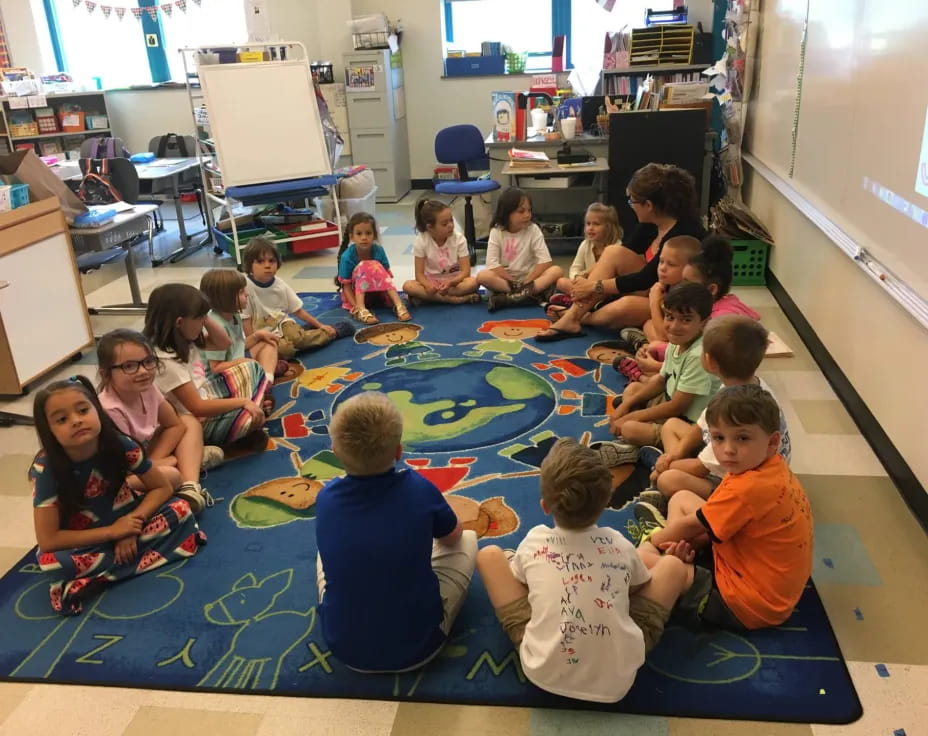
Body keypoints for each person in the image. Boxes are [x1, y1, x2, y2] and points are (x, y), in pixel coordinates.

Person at [476, 437, 694, 702]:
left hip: (542, 670)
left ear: (545, 506)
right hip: (617, 679)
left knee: (488, 556)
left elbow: (520, 582)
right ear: (606, 503)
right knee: (672, 566)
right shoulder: (618, 544)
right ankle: (653, 553)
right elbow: (636, 588)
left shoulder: (534, 540)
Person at [315, 391, 477, 672]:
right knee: (468, 540)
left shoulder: (325, 498)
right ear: (399, 451)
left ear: (336, 452)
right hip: (420, 647)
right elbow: (453, 536)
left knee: (324, 555)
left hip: (344, 648)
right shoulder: (419, 489)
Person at [635, 385, 813, 630]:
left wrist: (652, 541)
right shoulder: (766, 466)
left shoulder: (749, 487)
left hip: (745, 602)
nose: (728, 449)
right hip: (755, 571)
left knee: (645, 560)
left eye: (742, 438)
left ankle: (645, 626)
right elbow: (711, 521)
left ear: (772, 442)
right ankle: (678, 552)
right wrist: (686, 542)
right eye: (719, 438)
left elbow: (692, 524)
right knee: (681, 498)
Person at [30, 375, 206, 615]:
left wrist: (131, 526)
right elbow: (48, 540)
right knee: (53, 563)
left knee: (181, 510)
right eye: (62, 419)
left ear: (97, 411)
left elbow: (161, 487)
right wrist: (113, 532)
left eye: (83, 410)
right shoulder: (47, 468)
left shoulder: (120, 444)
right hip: (83, 541)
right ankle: (132, 561)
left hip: (129, 518)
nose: (76, 421)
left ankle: (100, 577)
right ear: (48, 431)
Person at [536, 163, 705, 341]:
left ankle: (579, 317)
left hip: (669, 299)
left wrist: (594, 286)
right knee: (612, 252)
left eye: (632, 201)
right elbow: (622, 254)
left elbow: (645, 279)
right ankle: (574, 315)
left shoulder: (683, 233)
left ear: (648, 205)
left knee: (624, 306)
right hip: (651, 288)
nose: (630, 206)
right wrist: (588, 277)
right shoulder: (652, 223)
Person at [638, 316, 791, 511]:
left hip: (741, 484)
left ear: (709, 361)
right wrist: (673, 456)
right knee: (671, 425)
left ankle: (691, 504)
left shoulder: (735, 409)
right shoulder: (747, 385)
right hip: (741, 463)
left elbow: (699, 468)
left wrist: (665, 467)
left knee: (668, 479)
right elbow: (701, 424)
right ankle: (665, 463)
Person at [96, 329, 219, 514]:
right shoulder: (109, 410)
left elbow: (175, 424)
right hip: (122, 475)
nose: (143, 371)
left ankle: (189, 487)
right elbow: (124, 470)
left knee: (188, 421)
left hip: (145, 457)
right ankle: (188, 464)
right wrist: (162, 464)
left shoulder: (147, 388)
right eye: (129, 366)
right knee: (172, 474)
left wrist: (156, 460)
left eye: (148, 362)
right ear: (106, 373)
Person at [601, 282, 720, 466]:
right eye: (669, 317)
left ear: (704, 322)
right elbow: (661, 379)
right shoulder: (678, 340)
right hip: (668, 400)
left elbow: (676, 407)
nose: (674, 326)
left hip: (685, 423)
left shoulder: (698, 355)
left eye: (686, 320)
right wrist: (626, 405)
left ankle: (643, 450)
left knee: (630, 428)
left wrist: (630, 417)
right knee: (632, 390)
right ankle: (639, 436)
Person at [144, 283, 268, 448]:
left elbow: (224, 343)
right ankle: (250, 412)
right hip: (196, 419)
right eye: (201, 318)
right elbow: (198, 407)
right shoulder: (166, 362)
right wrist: (243, 402)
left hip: (207, 394)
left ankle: (254, 408)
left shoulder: (185, 338)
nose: (204, 323)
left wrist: (204, 316)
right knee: (246, 417)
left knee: (253, 368)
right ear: (180, 322)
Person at [241, 237, 349, 363]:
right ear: (249, 265)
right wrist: (253, 344)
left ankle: (333, 332)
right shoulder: (245, 287)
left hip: (282, 323)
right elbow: (246, 320)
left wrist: (320, 325)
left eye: (271, 261)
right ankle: (303, 334)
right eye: (260, 261)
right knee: (286, 350)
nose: (267, 265)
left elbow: (298, 311)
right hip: (260, 333)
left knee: (298, 339)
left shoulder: (279, 284)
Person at [614, 235, 702, 382]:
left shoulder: (685, 295)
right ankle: (645, 352)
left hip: (682, 350)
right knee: (648, 324)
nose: (662, 268)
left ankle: (644, 369)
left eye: (671, 264)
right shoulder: (669, 286)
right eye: (661, 261)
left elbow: (665, 336)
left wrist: (653, 301)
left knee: (655, 341)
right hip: (673, 343)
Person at [199, 268, 280, 412]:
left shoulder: (234, 315)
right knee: (252, 366)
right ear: (226, 298)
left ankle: (265, 382)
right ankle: (259, 393)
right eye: (242, 292)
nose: (247, 294)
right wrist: (245, 362)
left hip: (237, 363)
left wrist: (257, 336)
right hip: (220, 378)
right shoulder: (216, 326)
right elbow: (215, 368)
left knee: (268, 343)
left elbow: (238, 346)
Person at [476, 187, 563, 312]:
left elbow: (545, 261)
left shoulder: (533, 230)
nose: (527, 215)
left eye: (529, 210)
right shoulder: (497, 232)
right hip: (507, 282)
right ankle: (529, 296)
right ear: (507, 213)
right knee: (483, 276)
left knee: (556, 271)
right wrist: (515, 284)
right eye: (521, 211)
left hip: (531, 279)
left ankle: (509, 298)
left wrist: (527, 283)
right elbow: (492, 264)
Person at [548, 203, 622, 317]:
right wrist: (577, 278)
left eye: (596, 224)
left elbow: (615, 278)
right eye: (588, 224)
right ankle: (584, 304)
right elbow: (575, 267)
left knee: (606, 293)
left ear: (608, 227)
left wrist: (589, 283)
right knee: (561, 282)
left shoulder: (617, 246)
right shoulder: (585, 244)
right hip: (583, 285)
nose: (590, 228)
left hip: (602, 288)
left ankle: (574, 303)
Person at [336, 212, 410, 325]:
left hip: (377, 294)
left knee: (376, 265)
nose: (364, 238)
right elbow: (346, 286)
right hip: (356, 296)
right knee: (364, 266)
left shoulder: (378, 250)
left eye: (368, 233)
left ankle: (399, 305)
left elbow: (386, 278)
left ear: (374, 235)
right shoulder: (347, 257)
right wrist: (356, 306)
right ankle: (362, 310)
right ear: (352, 237)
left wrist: (389, 299)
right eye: (359, 234)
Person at [402, 198, 480, 305]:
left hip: (454, 282)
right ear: (430, 227)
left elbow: (466, 271)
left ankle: (430, 298)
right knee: (408, 286)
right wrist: (428, 286)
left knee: (474, 282)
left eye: (451, 220)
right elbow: (419, 274)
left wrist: (452, 282)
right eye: (444, 224)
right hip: (432, 282)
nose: (450, 225)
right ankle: (453, 300)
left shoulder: (459, 239)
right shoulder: (421, 241)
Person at [682, 235, 760, 320]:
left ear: (711, 290)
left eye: (687, 284)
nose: (681, 287)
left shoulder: (720, 319)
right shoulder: (729, 302)